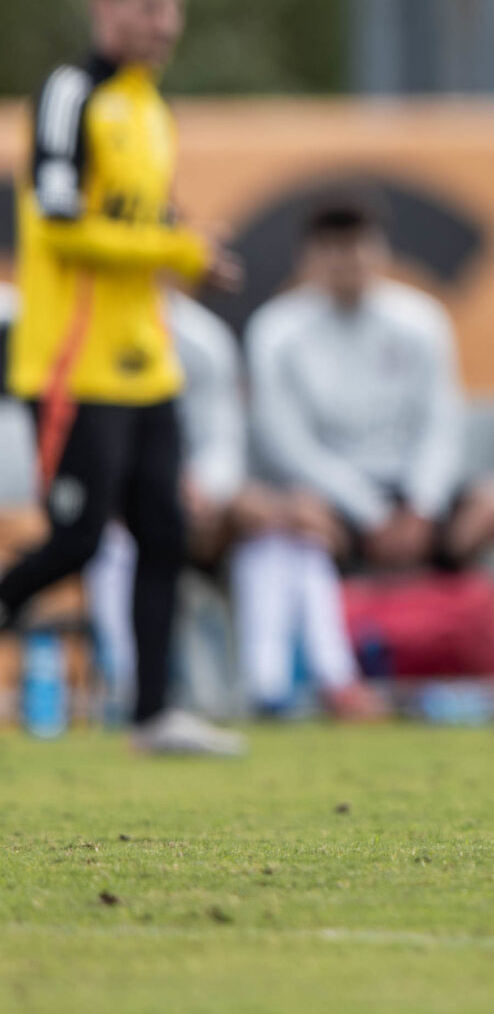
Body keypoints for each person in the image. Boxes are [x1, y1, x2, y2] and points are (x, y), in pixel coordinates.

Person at [0, 0, 247, 756]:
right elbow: (63, 225)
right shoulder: (72, 94)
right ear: (106, 7)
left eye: (173, 5)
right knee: (75, 538)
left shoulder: (151, 108)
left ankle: (152, 715)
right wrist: (177, 252)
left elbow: (142, 224)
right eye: (148, 4)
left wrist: (190, 257)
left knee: (166, 534)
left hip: (147, 360)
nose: (165, 22)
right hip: (75, 363)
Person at [250, 194, 494, 713]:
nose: (348, 264)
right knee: (291, 524)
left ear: (381, 253)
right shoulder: (277, 331)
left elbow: (443, 422)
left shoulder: (420, 320)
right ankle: (338, 685)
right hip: (339, 502)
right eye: (333, 251)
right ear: (309, 260)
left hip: (418, 497)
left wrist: (423, 506)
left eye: (358, 249)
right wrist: (370, 512)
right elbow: (287, 441)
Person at [81, 287, 392, 723]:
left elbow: (222, 440)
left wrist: (204, 489)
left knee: (285, 528)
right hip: (125, 504)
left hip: (202, 508)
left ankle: (293, 687)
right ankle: (127, 685)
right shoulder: (90, 329)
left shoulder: (202, 340)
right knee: (113, 542)